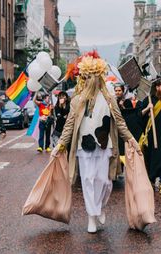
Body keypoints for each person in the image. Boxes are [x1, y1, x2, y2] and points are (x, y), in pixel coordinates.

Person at [52, 54, 139, 233]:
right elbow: (69, 125)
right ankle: (92, 216)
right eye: (86, 77)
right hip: (83, 148)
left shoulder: (109, 99)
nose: (88, 80)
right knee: (88, 180)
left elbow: (120, 122)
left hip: (104, 145)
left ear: (98, 78)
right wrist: (60, 145)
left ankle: (99, 207)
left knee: (105, 182)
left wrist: (131, 140)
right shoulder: (77, 100)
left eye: (92, 77)